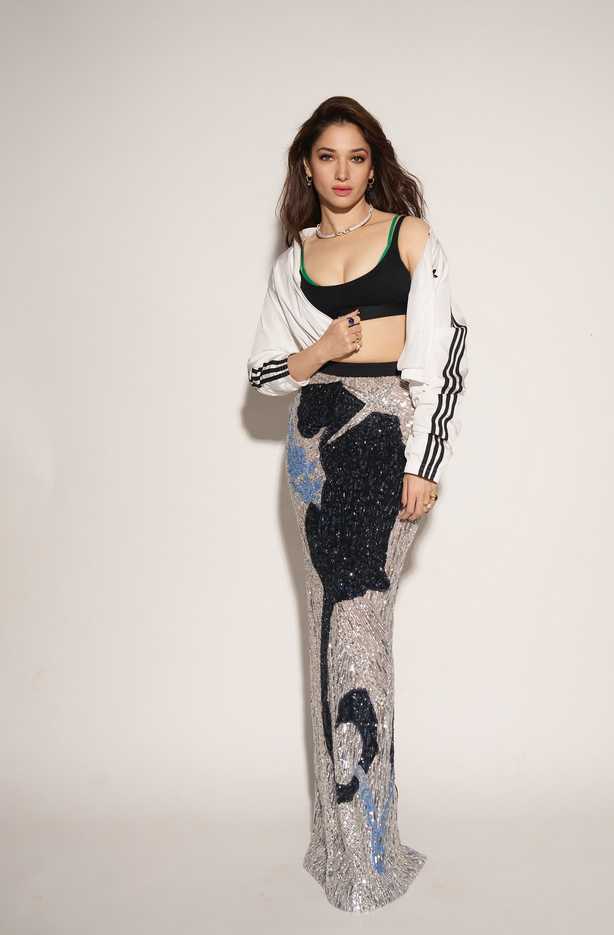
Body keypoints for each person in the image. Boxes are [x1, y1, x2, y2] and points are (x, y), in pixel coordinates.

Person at [247, 96, 469, 912]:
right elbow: (264, 374)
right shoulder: (294, 258)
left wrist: (425, 463)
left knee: (358, 639)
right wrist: (322, 348)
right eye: (327, 156)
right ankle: (337, 846)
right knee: (324, 633)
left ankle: (372, 851)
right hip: (312, 450)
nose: (342, 171)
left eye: (357, 156)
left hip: (386, 438)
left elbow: (445, 354)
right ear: (307, 167)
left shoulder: (410, 238)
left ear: (374, 164)